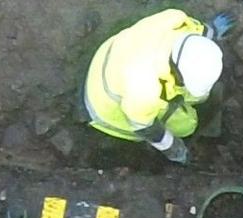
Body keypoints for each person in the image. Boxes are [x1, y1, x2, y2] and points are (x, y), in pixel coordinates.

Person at [83, 9, 227, 161]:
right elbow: (145, 127)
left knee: (189, 98)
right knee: (186, 125)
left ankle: (191, 101)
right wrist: (173, 148)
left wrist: (211, 29)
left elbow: (195, 32)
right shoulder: (146, 90)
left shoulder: (175, 20)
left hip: (108, 59)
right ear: (178, 73)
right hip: (102, 105)